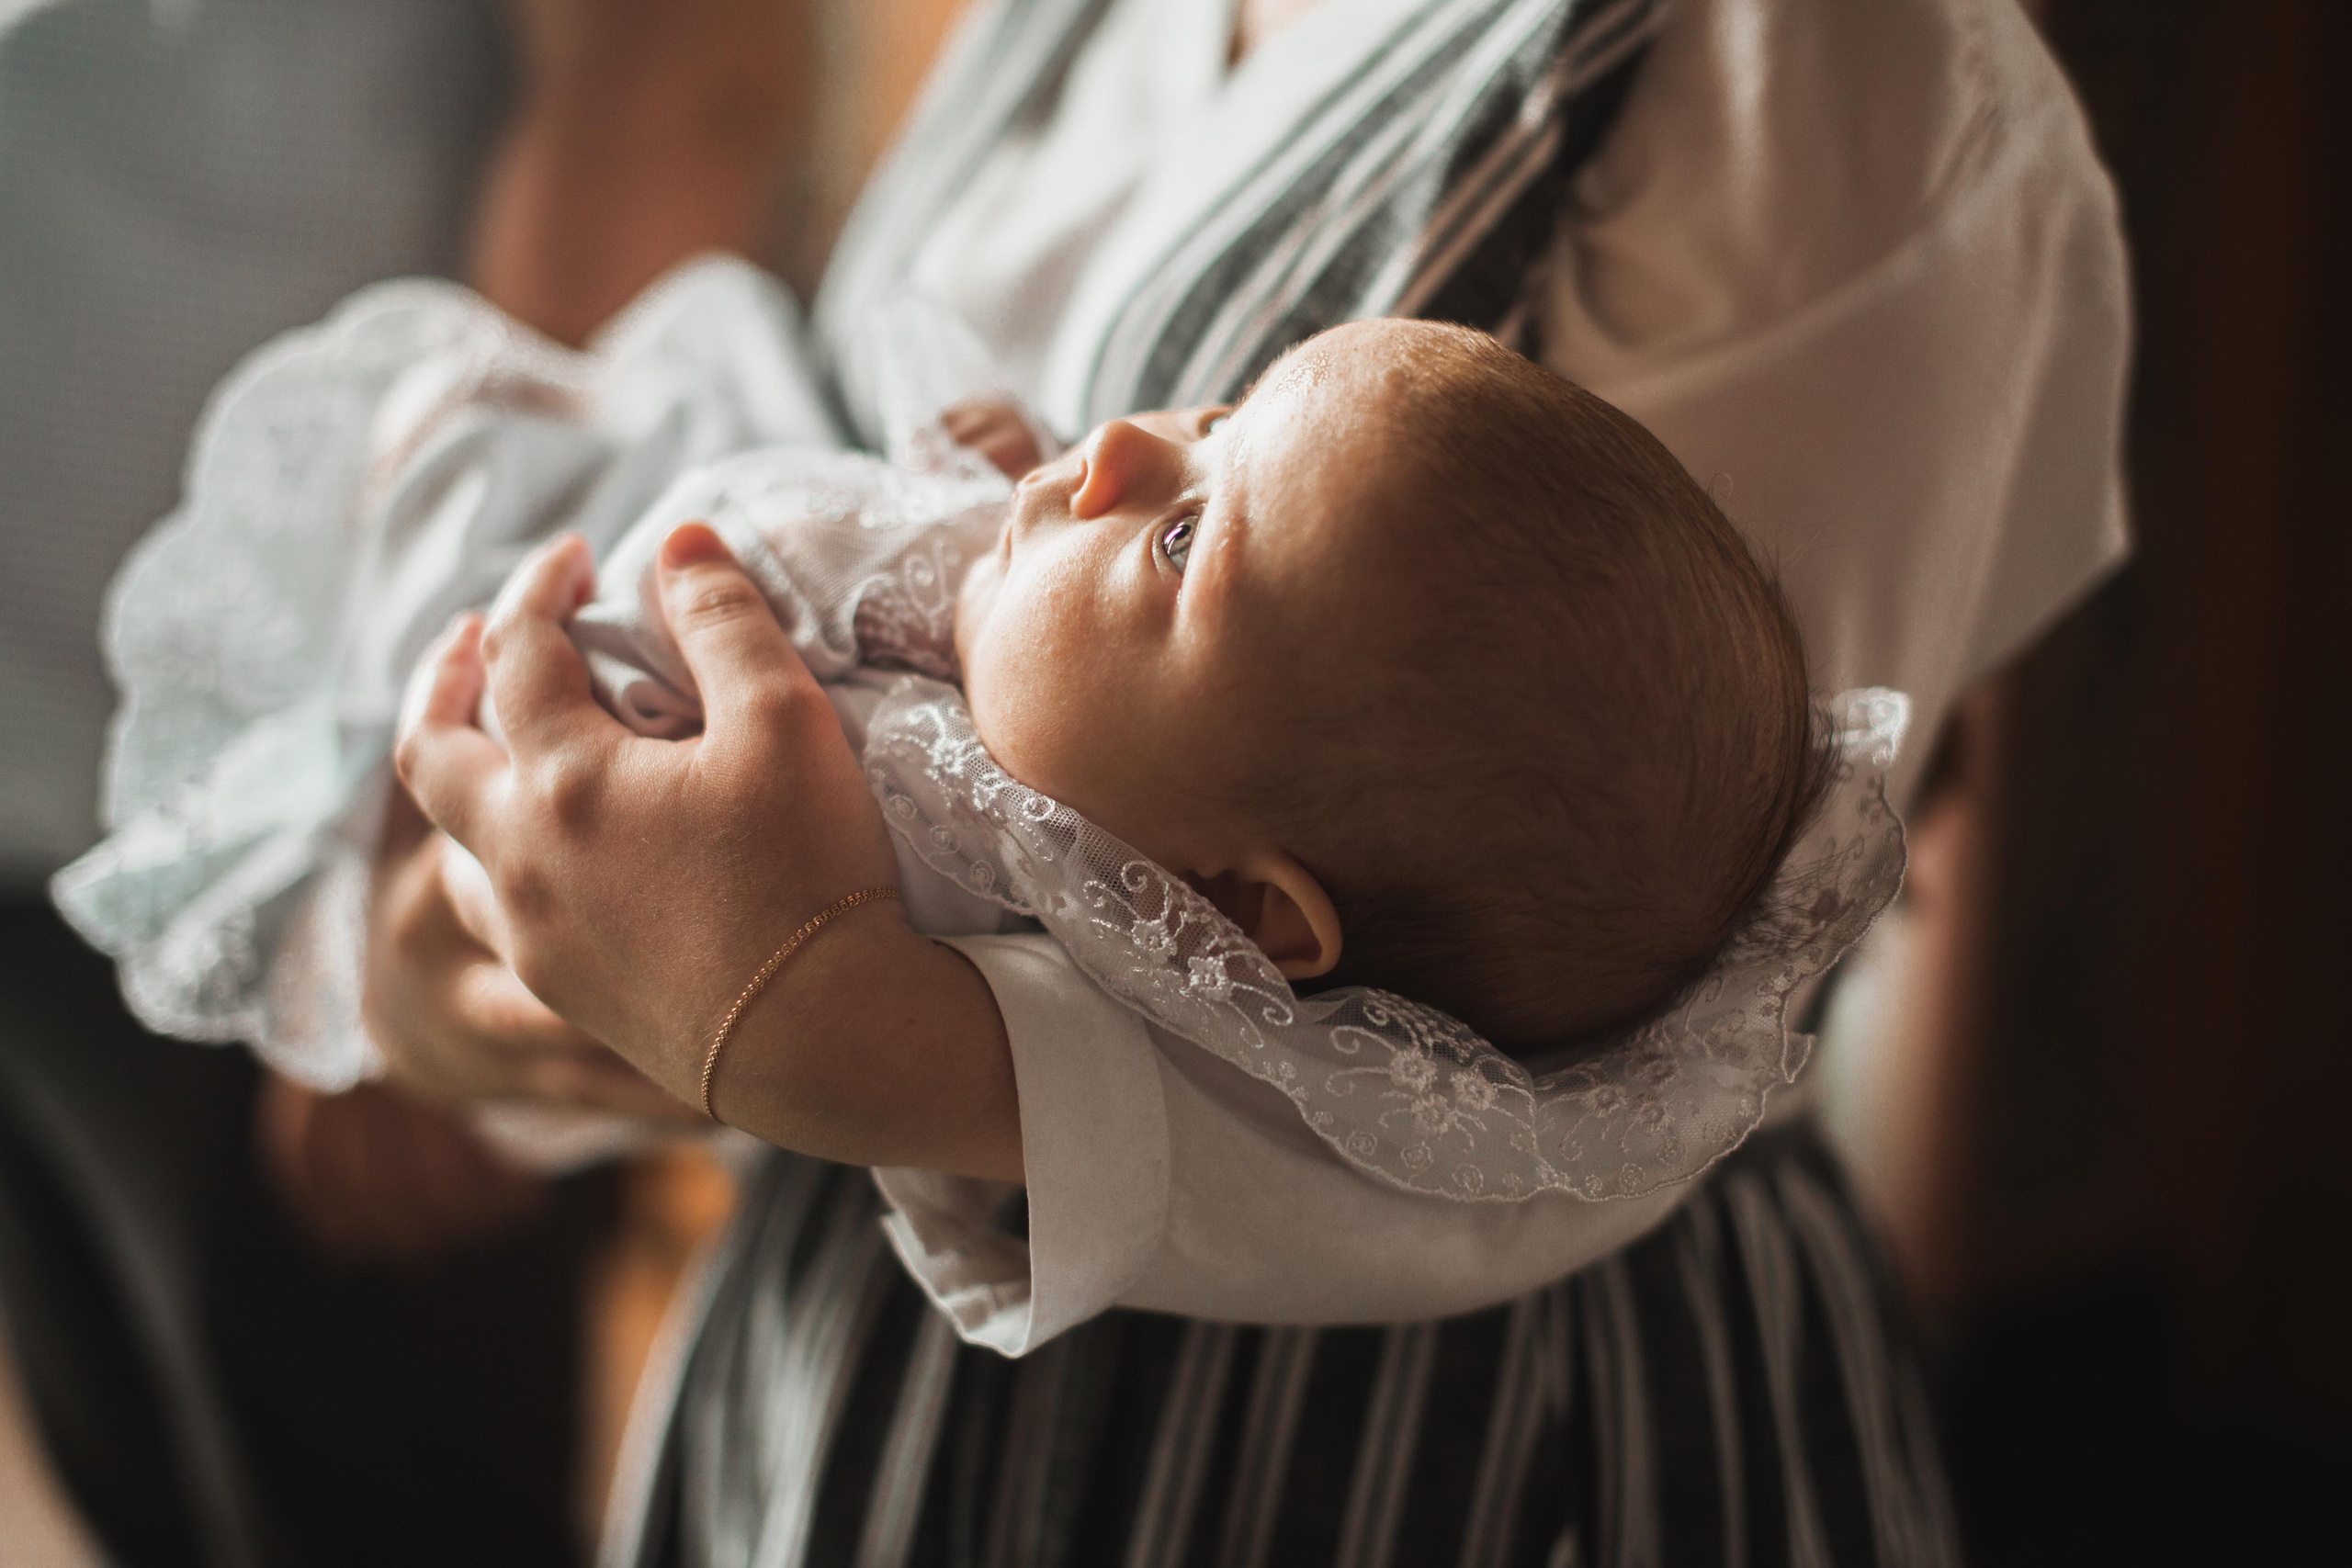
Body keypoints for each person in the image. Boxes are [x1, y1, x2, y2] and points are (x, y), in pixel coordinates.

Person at [365, 0, 2130, 1560]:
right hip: (844, 1364)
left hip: (1400, 1452)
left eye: (1193, 522)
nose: (1118, 445)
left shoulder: (1816, 67)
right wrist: (478, 949)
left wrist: (841, 1027)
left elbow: (1601, 1068)